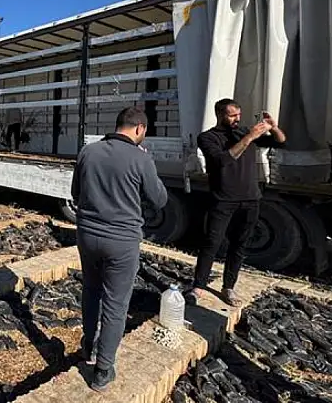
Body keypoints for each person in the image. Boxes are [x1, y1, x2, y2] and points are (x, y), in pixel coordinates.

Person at [70, 106, 168, 391]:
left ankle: (88, 345)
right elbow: (159, 200)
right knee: (116, 303)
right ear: (140, 129)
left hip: (87, 235)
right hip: (121, 241)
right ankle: (102, 371)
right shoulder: (140, 158)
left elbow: (76, 194)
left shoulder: (88, 151)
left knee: (91, 289)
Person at [188, 99, 286, 306]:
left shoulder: (243, 132)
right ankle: (198, 287)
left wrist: (274, 127)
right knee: (211, 244)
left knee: (239, 245)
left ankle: (228, 287)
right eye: (232, 115)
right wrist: (250, 137)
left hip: (251, 199)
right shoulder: (207, 138)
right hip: (223, 200)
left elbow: (280, 141)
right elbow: (223, 160)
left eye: (239, 115)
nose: (237, 119)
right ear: (220, 114)